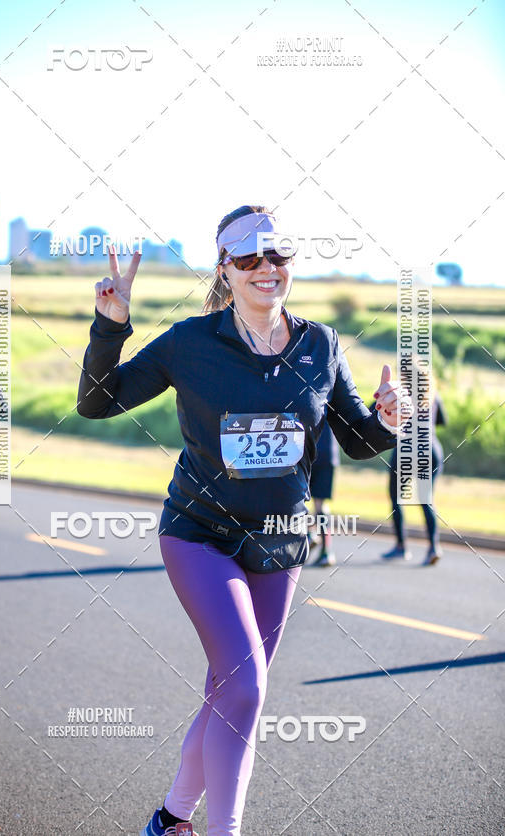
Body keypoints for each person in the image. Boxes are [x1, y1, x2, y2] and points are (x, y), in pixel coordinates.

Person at [76, 205, 411, 836]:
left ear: (291, 262)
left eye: (277, 254)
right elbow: (97, 403)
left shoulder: (320, 344)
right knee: (247, 688)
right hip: (199, 533)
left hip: (280, 540)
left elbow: (357, 439)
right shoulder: (190, 342)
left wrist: (390, 421)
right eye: (249, 257)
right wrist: (109, 325)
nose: (266, 267)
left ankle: (170, 820)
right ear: (225, 268)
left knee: (229, 692)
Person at [372, 376, 447, 565]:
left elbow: (372, 410)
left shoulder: (399, 394)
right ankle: (434, 547)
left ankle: (401, 546)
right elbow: (441, 421)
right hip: (431, 448)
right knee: (426, 499)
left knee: (396, 498)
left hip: (406, 449)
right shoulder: (433, 394)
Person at [307, 419, 340, 566]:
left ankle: (309, 534)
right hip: (329, 453)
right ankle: (326, 552)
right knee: (321, 504)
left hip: (309, 453)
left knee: (299, 500)